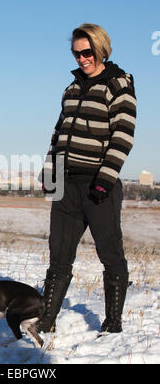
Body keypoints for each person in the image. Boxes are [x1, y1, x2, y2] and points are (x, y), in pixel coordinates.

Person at [36, 23, 136, 334]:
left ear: (101, 49)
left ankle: (112, 322)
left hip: (99, 186)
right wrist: (50, 171)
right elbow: (58, 133)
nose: (82, 58)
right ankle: (46, 321)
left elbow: (123, 136)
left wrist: (105, 180)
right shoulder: (72, 88)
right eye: (76, 53)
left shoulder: (118, 85)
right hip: (66, 184)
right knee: (59, 256)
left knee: (110, 253)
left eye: (87, 52)